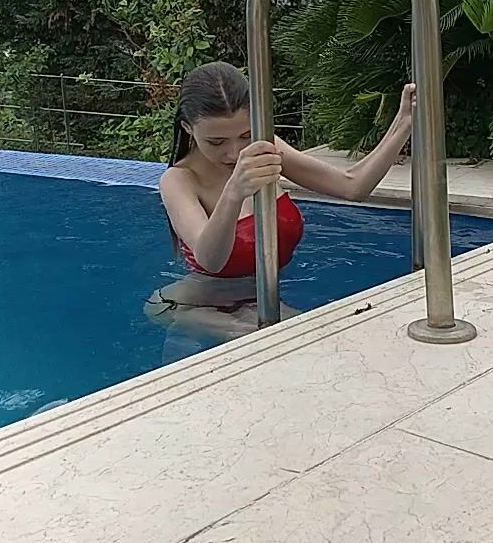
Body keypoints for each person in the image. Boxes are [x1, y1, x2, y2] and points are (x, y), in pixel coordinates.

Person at [144, 61, 415, 348]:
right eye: (216, 142)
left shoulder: (265, 148)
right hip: (192, 306)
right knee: (297, 341)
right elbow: (210, 260)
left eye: (246, 135)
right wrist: (234, 193)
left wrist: (403, 124)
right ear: (188, 128)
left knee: (326, 340)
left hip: (259, 297)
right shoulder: (180, 180)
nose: (234, 153)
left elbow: (352, 186)